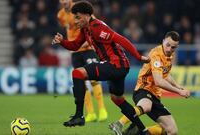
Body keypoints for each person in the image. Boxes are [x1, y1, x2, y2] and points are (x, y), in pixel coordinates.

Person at [52, 1, 150, 134]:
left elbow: (120, 39)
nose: (75, 21)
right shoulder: (85, 29)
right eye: (75, 17)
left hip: (115, 64)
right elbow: (75, 45)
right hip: (119, 67)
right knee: (117, 99)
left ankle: (79, 116)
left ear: (87, 15)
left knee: (78, 73)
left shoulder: (97, 27)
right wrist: (62, 41)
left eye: (78, 17)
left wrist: (138, 57)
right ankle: (142, 129)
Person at [109, 31, 191, 135]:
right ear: (163, 41)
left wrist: (179, 87)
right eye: (168, 45)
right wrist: (179, 92)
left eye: (173, 47)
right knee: (147, 106)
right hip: (143, 89)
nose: (170, 49)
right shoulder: (156, 54)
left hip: (156, 96)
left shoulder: (170, 55)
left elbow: (166, 74)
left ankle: (135, 132)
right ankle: (119, 123)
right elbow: (159, 81)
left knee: (172, 130)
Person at [57, 0, 107, 122]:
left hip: (88, 49)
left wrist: (87, 42)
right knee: (81, 82)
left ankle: (102, 110)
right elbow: (69, 30)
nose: (64, 2)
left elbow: (93, 24)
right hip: (75, 53)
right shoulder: (60, 15)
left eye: (66, 0)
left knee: (94, 78)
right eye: (62, 0)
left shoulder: (80, 10)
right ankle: (90, 113)